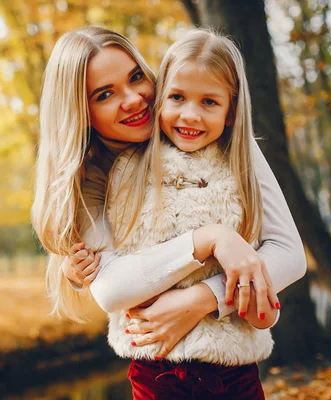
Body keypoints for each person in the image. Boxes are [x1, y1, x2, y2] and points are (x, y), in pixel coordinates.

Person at [31, 25, 305, 382]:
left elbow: (289, 254)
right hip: (157, 372)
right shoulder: (91, 178)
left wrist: (204, 298)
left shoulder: (220, 137)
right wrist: (211, 238)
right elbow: (113, 288)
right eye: (104, 95)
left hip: (233, 370)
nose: (132, 99)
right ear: (79, 112)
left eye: (135, 77)